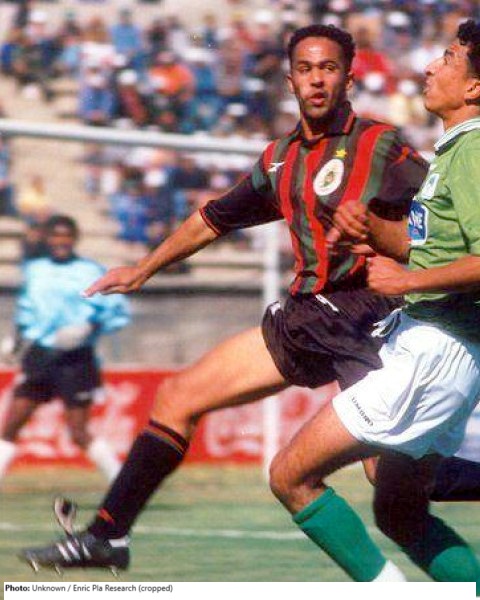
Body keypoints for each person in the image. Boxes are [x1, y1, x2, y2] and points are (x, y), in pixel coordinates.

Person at [17, 24, 477, 578]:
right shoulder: (280, 159)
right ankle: (107, 536)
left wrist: (388, 248)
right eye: (305, 69)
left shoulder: (382, 145)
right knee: (178, 397)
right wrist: (143, 269)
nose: (316, 80)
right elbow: (213, 217)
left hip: (368, 321)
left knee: (395, 487)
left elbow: (439, 223)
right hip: (305, 315)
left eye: (328, 68)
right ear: (289, 81)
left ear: (348, 79)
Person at [267, 19, 480, 583]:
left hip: (435, 351)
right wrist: (371, 233)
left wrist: (403, 283)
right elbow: (428, 244)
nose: (430, 66)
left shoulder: (475, 151)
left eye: (448, 58)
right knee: (399, 511)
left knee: (290, 475)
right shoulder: (454, 150)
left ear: (474, 86)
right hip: (441, 352)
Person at [0, 215, 130, 484]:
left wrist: (89, 328)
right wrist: (16, 342)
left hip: (75, 359)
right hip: (40, 354)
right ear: (47, 238)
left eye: (66, 236)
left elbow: (116, 311)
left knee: (78, 431)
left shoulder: (90, 271)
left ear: (74, 238)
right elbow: (26, 311)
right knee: (12, 423)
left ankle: (123, 483)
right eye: (56, 235)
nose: (61, 241)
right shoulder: (35, 269)